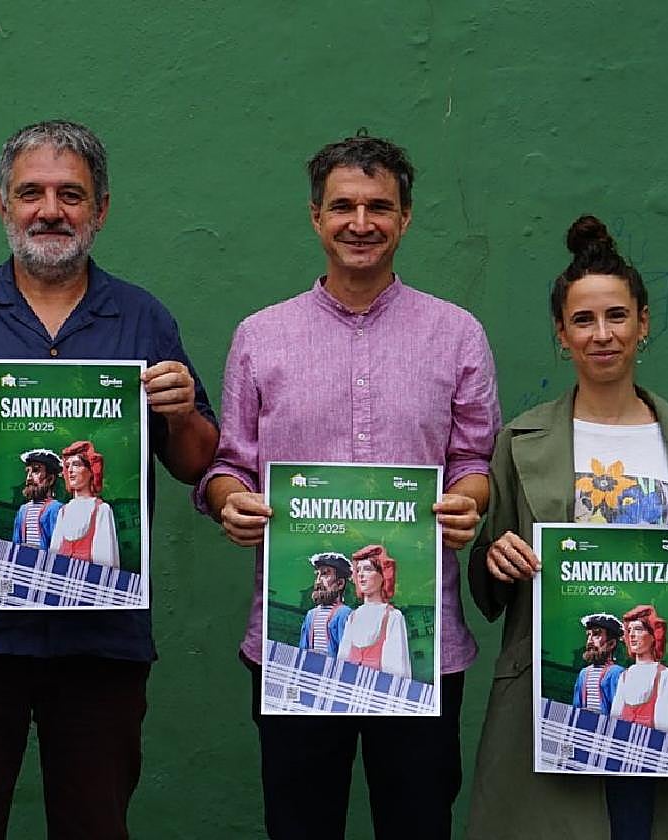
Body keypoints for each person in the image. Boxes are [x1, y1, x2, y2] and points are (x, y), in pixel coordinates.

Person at [0, 120, 218, 839]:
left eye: (71, 194)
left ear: (101, 209)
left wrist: (183, 411)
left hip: (102, 641)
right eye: (31, 193)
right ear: (3, 205)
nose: (50, 211)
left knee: (94, 825)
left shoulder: (143, 317)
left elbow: (194, 461)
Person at [197, 133, 500, 840]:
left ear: (406, 218)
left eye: (378, 207)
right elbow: (228, 465)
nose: (360, 223)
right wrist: (227, 503)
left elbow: (475, 460)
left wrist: (470, 503)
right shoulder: (259, 336)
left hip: (422, 649)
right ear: (315, 217)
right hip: (293, 644)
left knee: (418, 823)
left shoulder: (457, 335)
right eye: (343, 206)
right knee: (302, 824)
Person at [465, 215, 668, 840]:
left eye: (617, 316)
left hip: (658, 707)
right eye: (583, 320)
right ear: (561, 334)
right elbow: (489, 571)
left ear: (643, 323)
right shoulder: (519, 442)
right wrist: (496, 558)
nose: (602, 335)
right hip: (553, 704)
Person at [337, 544, 410, 678]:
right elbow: (342, 662)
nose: (361, 575)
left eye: (368, 569)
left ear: (383, 576)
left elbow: (397, 670)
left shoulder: (392, 616)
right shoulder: (353, 617)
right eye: (358, 570)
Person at [609, 605, 668, 734]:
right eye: (629, 630)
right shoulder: (624, 676)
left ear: (654, 636)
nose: (632, 635)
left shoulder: (664, 676)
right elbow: (614, 723)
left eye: (638, 629)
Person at [48, 440, 120, 567]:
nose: (70, 470)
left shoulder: (101, 510)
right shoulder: (63, 511)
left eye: (76, 464)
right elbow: (53, 558)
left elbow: (105, 563)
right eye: (68, 465)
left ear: (91, 471)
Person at [297, 552, 353, 657]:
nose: (318, 581)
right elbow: (303, 648)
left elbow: (346, 653)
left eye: (325, 574)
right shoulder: (311, 615)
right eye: (318, 574)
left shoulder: (345, 614)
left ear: (340, 583)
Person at [571, 613, 624, 715]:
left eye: (596, 634)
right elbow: (576, 707)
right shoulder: (583, 673)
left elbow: (618, 711)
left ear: (611, 643)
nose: (589, 641)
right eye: (589, 635)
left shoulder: (617, 673)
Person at [11, 448, 63, 550]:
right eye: (28, 471)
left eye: (36, 470)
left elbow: (57, 547)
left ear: (50, 479)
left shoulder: (57, 509)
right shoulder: (23, 510)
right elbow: (16, 543)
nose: (28, 478)